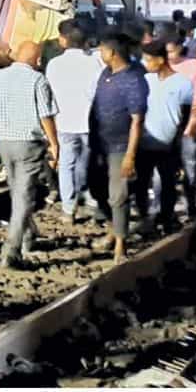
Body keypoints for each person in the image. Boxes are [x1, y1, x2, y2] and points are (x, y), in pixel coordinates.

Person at [0, 41, 59, 269]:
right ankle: (11, 252)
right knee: (24, 196)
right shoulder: (38, 80)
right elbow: (46, 115)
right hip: (28, 144)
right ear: (37, 60)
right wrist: (54, 143)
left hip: (2, 142)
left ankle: (28, 234)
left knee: (18, 190)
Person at [88, 35, 147, 262]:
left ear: (112, 53)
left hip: (119, 147)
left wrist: (130, 155)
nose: (99, 53)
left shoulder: (132, 79)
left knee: (118, 195)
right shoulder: (107, 74)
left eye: (102, 49)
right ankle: (112, 231)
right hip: (99, 145)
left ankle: (121, 245)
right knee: (98, 190)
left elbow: (137, 119)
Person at [45, 21, 102, 222]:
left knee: (66, 164)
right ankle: (90, 199)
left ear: (63, 40)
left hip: (63, 122)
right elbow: (97, 93)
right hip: (88, 122)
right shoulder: (95, 63)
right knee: (87, 163)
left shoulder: (54, 65)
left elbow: (48, 96)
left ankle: (68, 209)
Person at [136, 41, 193, 233]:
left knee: (168, 184)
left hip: (168, 144)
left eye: (149, 60)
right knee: (142, 183)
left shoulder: (183, 84)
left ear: (161, 60)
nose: (146, 63)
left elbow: (184, 117)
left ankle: (166, 217)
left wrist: (177, 141)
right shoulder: (145, 80)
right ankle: (145, 217)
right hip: (144, 142)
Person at [166, 36, 196, 217]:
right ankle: (164, 208)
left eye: (171, 51)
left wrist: (195, 119)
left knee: (189, 161)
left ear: (179, 47)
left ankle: (191, 204)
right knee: (164, 168)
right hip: (165, 125)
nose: (168, 55)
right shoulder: (158, 66)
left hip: (187, 121)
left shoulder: (193, 66)